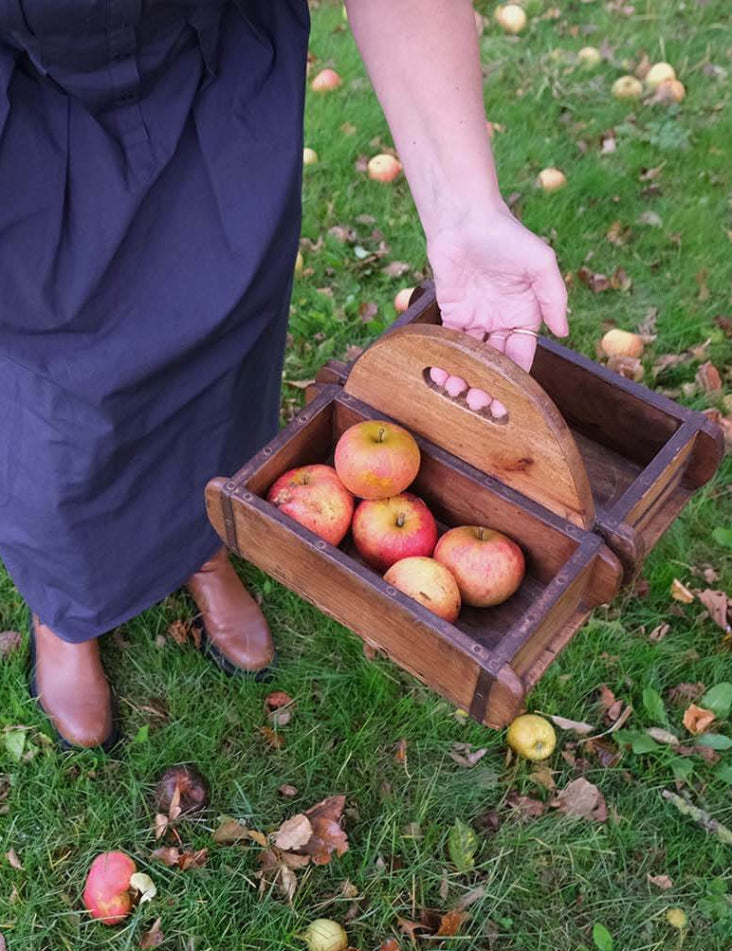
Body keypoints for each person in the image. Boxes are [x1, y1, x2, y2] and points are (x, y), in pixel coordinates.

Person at [0, 0, 568, 752]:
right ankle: (66, 604)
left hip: (212, 57)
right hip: (27, 88)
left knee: (221, 338)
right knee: (52, 383)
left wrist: (464, 208)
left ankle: (197, 541)